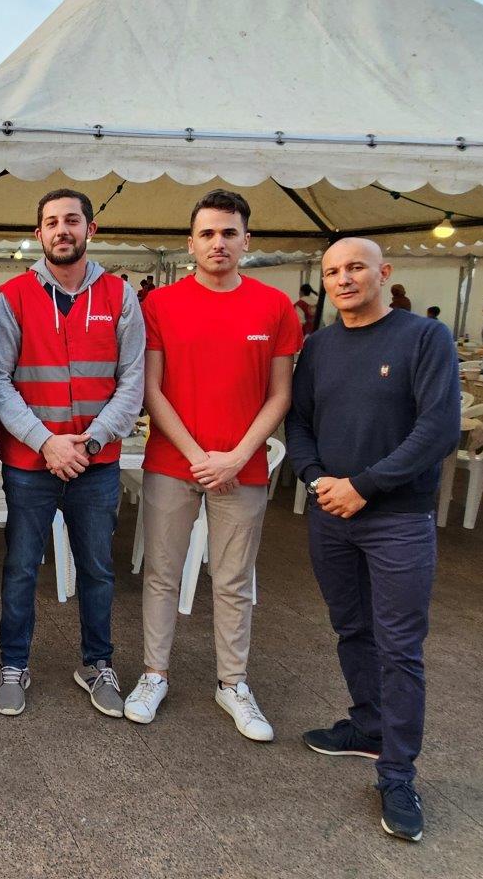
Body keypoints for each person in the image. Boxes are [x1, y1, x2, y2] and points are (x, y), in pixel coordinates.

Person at [286, 237, 459, 843]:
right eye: (333, 271)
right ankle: (368, 725)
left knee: (399, 646)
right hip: (331, 513)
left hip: (397, 518)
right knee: (352, 627)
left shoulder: (424, 338)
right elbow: (299, 421)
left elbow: (439, 428)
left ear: (383, 273)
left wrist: (364, 486)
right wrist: (314, 478)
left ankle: (398, 774)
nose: (343, 279)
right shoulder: (318, 347)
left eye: (355, 267)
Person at [125, 189, 301, 742]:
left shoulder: (275, 306)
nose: (218, 242)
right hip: (173, 462)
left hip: (242, 468)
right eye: (207, 233)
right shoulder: (160, 305)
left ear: (247, 240)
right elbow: (151, 389)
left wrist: (239, 455)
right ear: (191, 243)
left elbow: (280, 394)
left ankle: (233, 684)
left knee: (233, 580)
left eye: (229, 232)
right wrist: (198, 456)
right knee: (162, 573)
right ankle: (154, 674)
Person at [0, 188, 145, 717]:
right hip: (31, 463)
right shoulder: (13, 296)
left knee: (98, 570)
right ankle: (14, 664)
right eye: (52, 222)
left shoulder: (120, 297)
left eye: (72, 220)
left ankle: (97, 664)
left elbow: (133, 380)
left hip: (95, 463)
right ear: (39, 234)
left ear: (90, 229)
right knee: (20, 569)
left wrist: (92, 440)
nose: (62, 230)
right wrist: (47, 442)